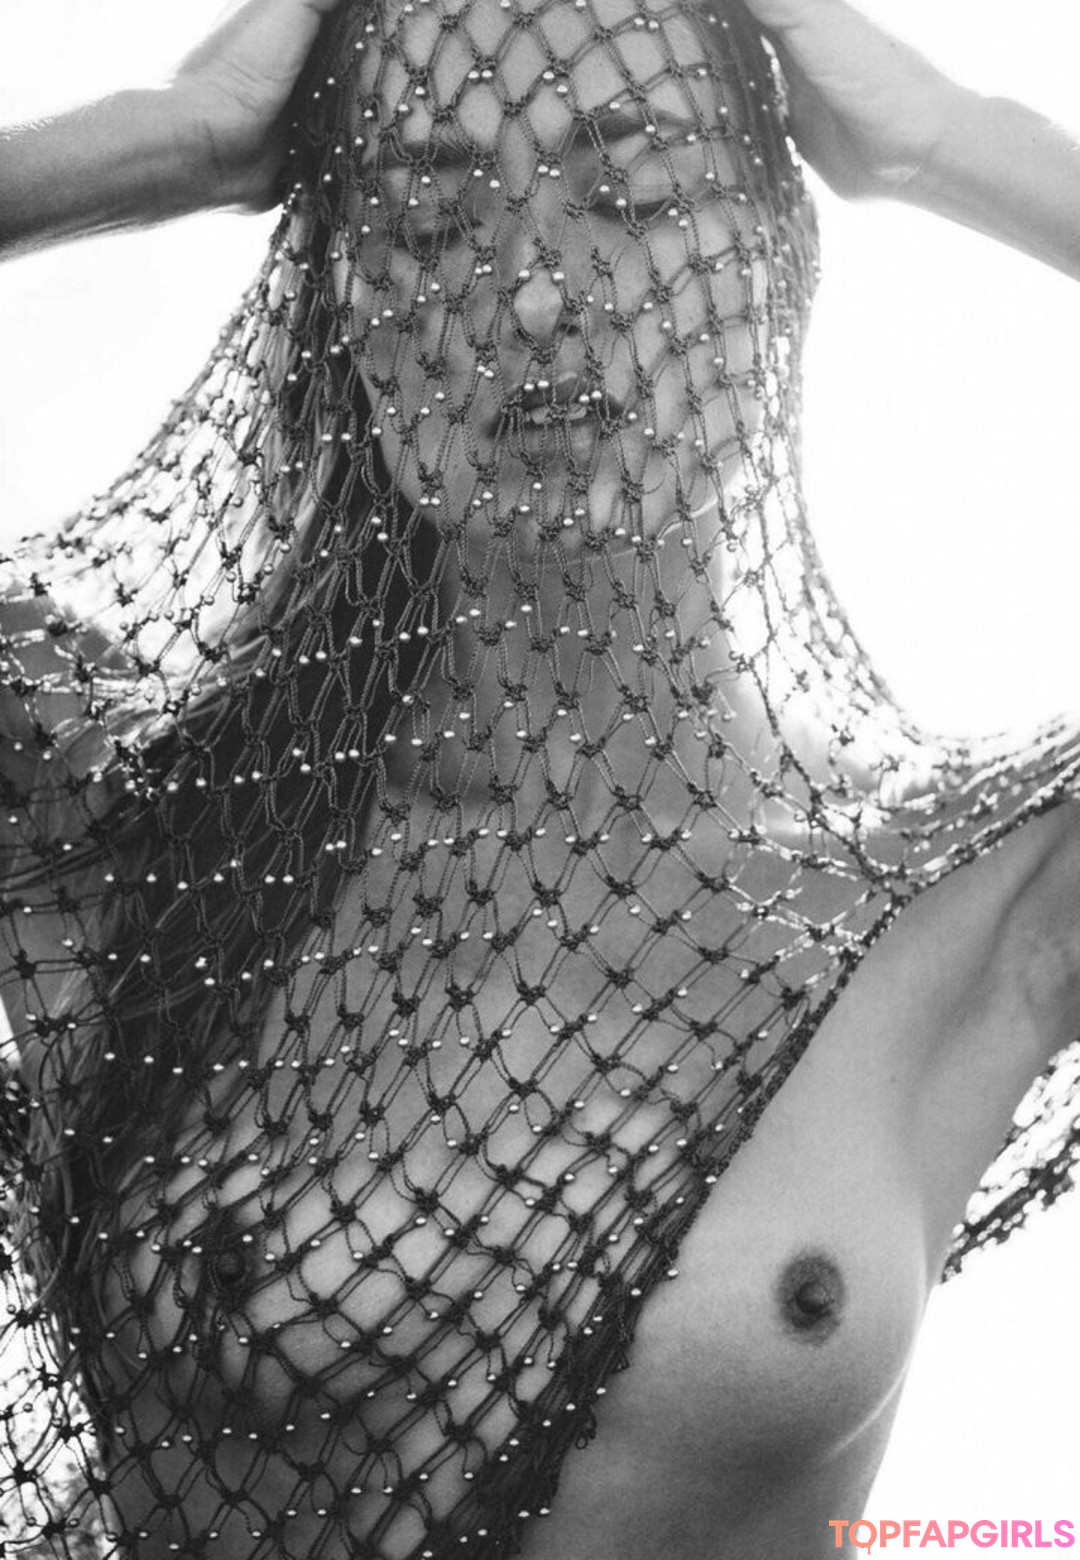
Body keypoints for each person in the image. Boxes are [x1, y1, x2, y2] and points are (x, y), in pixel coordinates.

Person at [2, 2, 1080, 1557]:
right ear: (347, 308)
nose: (531, 291)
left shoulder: (962, 901)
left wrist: (945, 137)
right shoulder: (128, 836)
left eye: (635, 199)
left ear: (776, 265)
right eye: (429, 222)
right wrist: (155, 138)